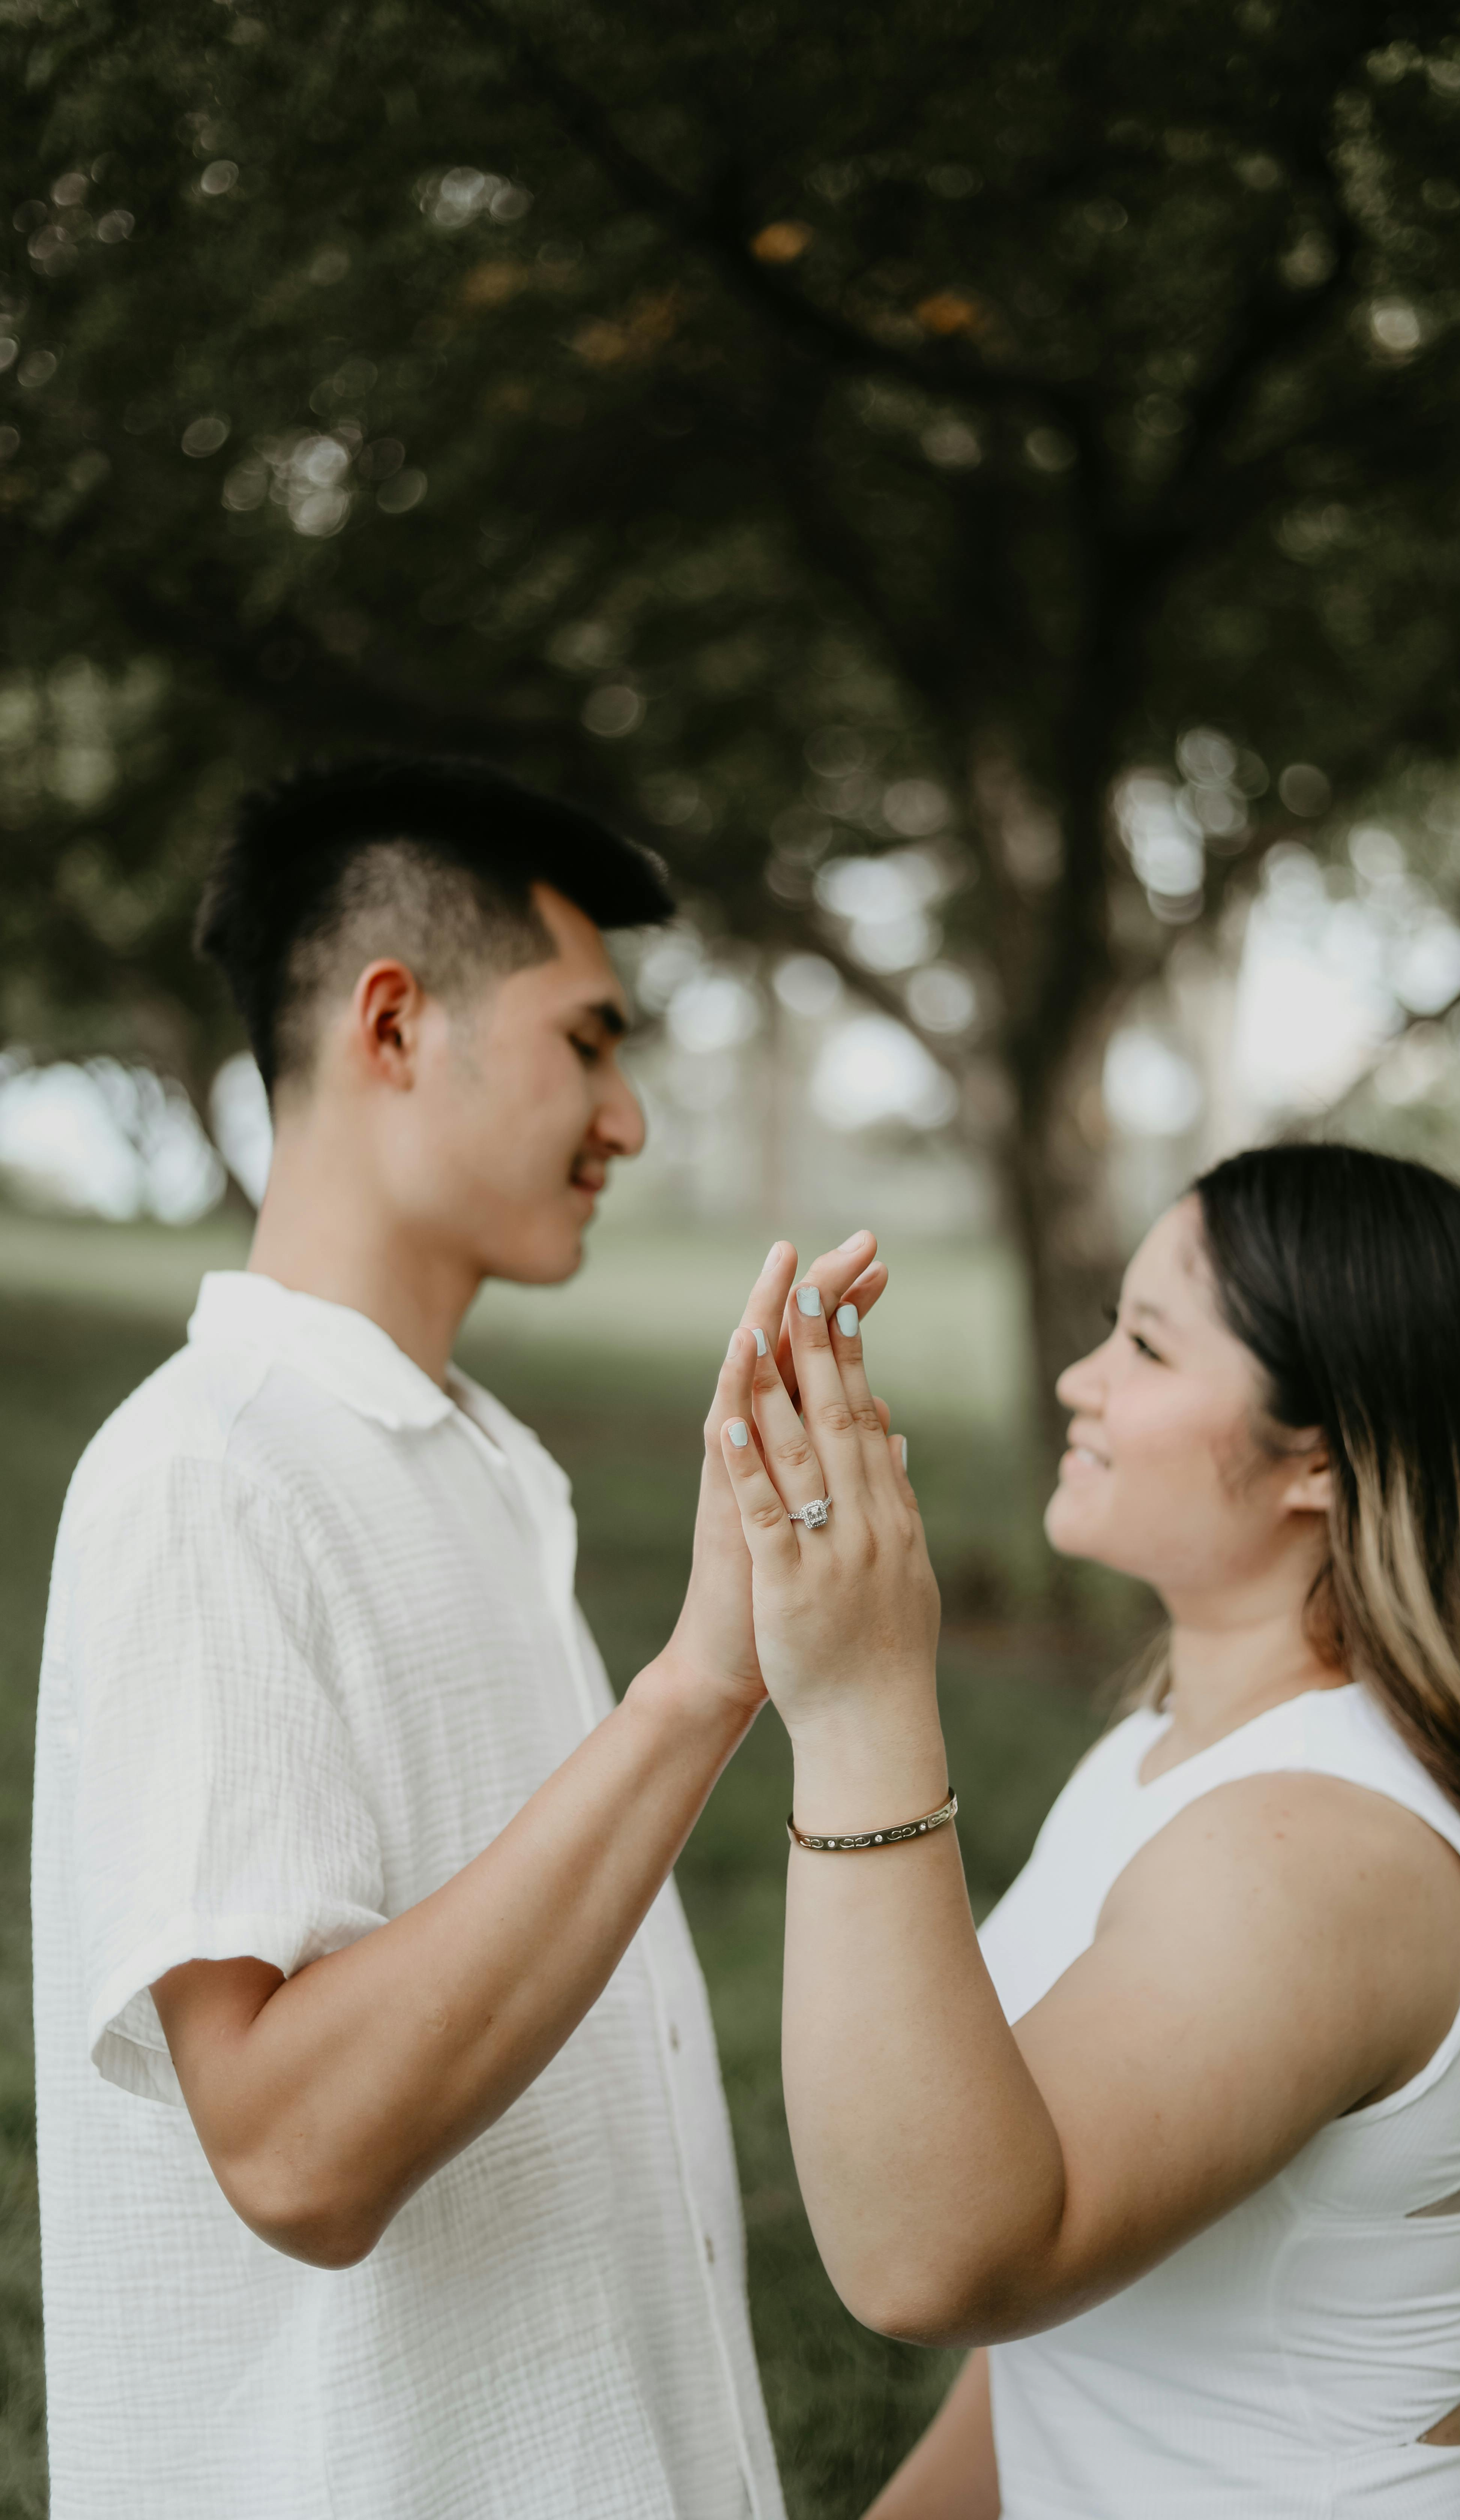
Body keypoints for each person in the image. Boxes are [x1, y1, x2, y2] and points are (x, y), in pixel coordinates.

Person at [31, 756, 887, 2520]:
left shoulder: (475, 1469)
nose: (630, 1121)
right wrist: (703, 1683)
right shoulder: (209, 1473)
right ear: (397, 1025)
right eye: (590, 1040)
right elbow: (293, 2152)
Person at [709, 1141, 1460, 2518]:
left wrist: (858, 1702)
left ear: (1319, 1458)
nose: (1083, 1381)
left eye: (1145, 1345)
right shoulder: (1156, 1761)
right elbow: (1060, 2306)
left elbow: (942, 2261)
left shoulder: (1318, 1847)